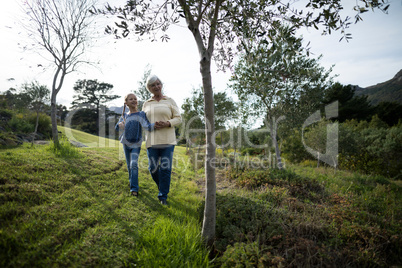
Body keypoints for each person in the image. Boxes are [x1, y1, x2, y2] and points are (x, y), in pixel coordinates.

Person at [142, 75, 182, 205]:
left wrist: (167, 123)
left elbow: (178, 118)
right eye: (153, 85)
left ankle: (163, 196)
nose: (156, 86)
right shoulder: (146, 103)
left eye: (158, 84)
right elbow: (143, 122)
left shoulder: (170, 101)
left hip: (168, 140)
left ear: (161, 85)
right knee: (153, 168)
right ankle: (162, 186)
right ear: (149, 88)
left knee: (165, 168)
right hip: (151, 141)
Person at [116, 93, 155, 197]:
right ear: (126, 103)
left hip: (136, 144)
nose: (134, 100)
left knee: (133, 164)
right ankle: (132, 183)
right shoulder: (124, 115)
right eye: (131, 99)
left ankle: (134, 189)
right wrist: (119, 125)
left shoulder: (141, 114)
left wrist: (156, 124)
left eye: (135, 99)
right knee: (129, 166)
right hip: (125, 143)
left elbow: (147, 127)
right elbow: (117, 127)